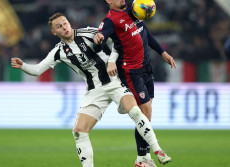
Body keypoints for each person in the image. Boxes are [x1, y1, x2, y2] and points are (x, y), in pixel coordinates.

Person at [11, 12, 171, 167]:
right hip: (95, 91)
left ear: (69, 22)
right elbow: (38, 69)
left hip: (115, 82)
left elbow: (117, 42)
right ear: (54, 32)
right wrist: (23, 66)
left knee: (136, 112)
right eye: (59, 27)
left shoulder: (89, 32)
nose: (64, 27)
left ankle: (157, 150)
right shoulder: (59, 51)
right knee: (79, 131)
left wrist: (112, 61)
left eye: (65, 23)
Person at [94, 0, 176, 166]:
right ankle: (143, 159)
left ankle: (143, 158)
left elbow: (145, 32)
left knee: (146, 115)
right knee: (146, 111)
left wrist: (162, 52)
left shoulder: (134, 10)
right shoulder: (110, 20)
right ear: (108, 1)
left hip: (146, 67)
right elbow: (100, 45)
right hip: (131, 71)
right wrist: (99, 40)